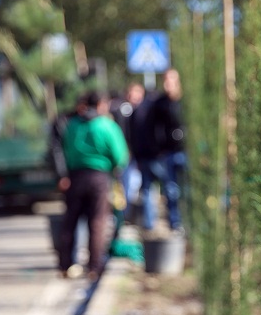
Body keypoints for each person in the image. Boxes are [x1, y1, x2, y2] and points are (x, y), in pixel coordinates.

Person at [57, 92, 128, 281]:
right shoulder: (106, 126)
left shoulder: (72, 126)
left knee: (70, 221)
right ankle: (94, 267)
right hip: (99, 177)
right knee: (97, 222)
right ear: (100, 105)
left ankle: (65, 264)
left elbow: (65, 150)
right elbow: (120, 156)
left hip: (76, 177)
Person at [132, 68, 186, 232]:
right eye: (166, 80)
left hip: (184, 151)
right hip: (167, 153)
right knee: (171, 190)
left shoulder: (185, 102)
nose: (168, 83)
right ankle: (174, 222)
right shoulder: (159, 104)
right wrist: (157, 147)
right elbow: (151, 128)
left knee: (187, 190)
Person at [112, 82, 147, 223]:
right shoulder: (123, 110)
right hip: (126, 154)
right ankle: (124, 215)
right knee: (124, 185)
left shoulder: (144, 110)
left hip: (141, 154)